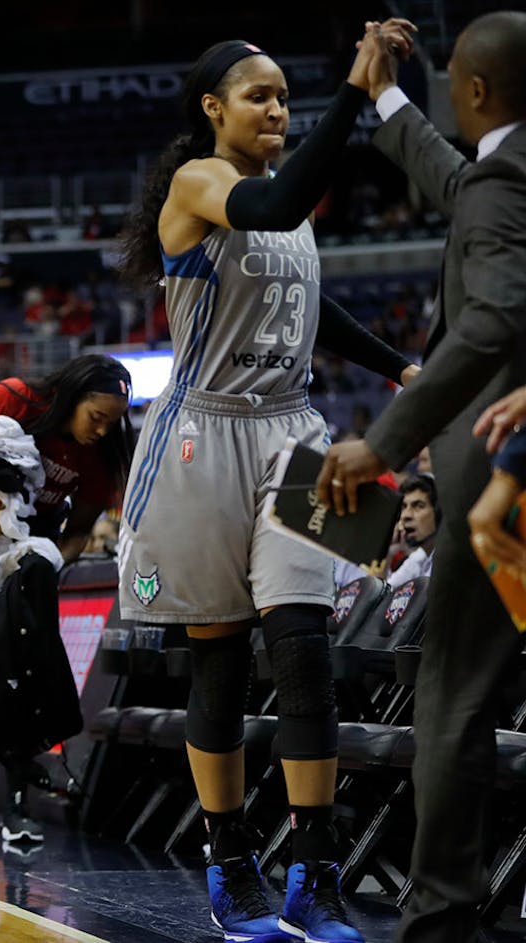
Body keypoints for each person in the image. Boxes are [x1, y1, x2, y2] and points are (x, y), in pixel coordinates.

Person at [114, 22, 416, 943]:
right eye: (260, 95)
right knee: (220, 655)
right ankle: (228, 854)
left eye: (287, 94)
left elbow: (310, 309)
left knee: (304, 648)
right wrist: (356, 96)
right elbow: (281, 202)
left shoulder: (287, 205)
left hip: (296, 434)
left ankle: (314, 872)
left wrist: (406, 370)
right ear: (214, 111)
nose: (278, 108)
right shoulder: (200, 184)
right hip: (203, 433)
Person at [314, 12, 526, 941]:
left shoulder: (504, 179)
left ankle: (441, 909)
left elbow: (491, 322)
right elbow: (462, 182)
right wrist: (384, 95)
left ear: (473, 93)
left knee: (459, 690)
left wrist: (390, 440)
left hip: (504, 471)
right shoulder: (502, 175)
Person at [0, 355, 133, 844]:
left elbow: (80, 531)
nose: (103, 430)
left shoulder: (99, 459)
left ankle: (18, 804)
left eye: (113, 421)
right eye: (96, 417)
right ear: (71, 396)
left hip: (30, 557)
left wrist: (47, 557)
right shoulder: (13, 399)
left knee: (17, 675)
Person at [386, 476, 437, 587]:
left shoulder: (451, 558)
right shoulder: (419, 557)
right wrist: (388, 553)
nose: (406, 515)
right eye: (404, 507)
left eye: (418, 506)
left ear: (438, 513)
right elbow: (383, 595)